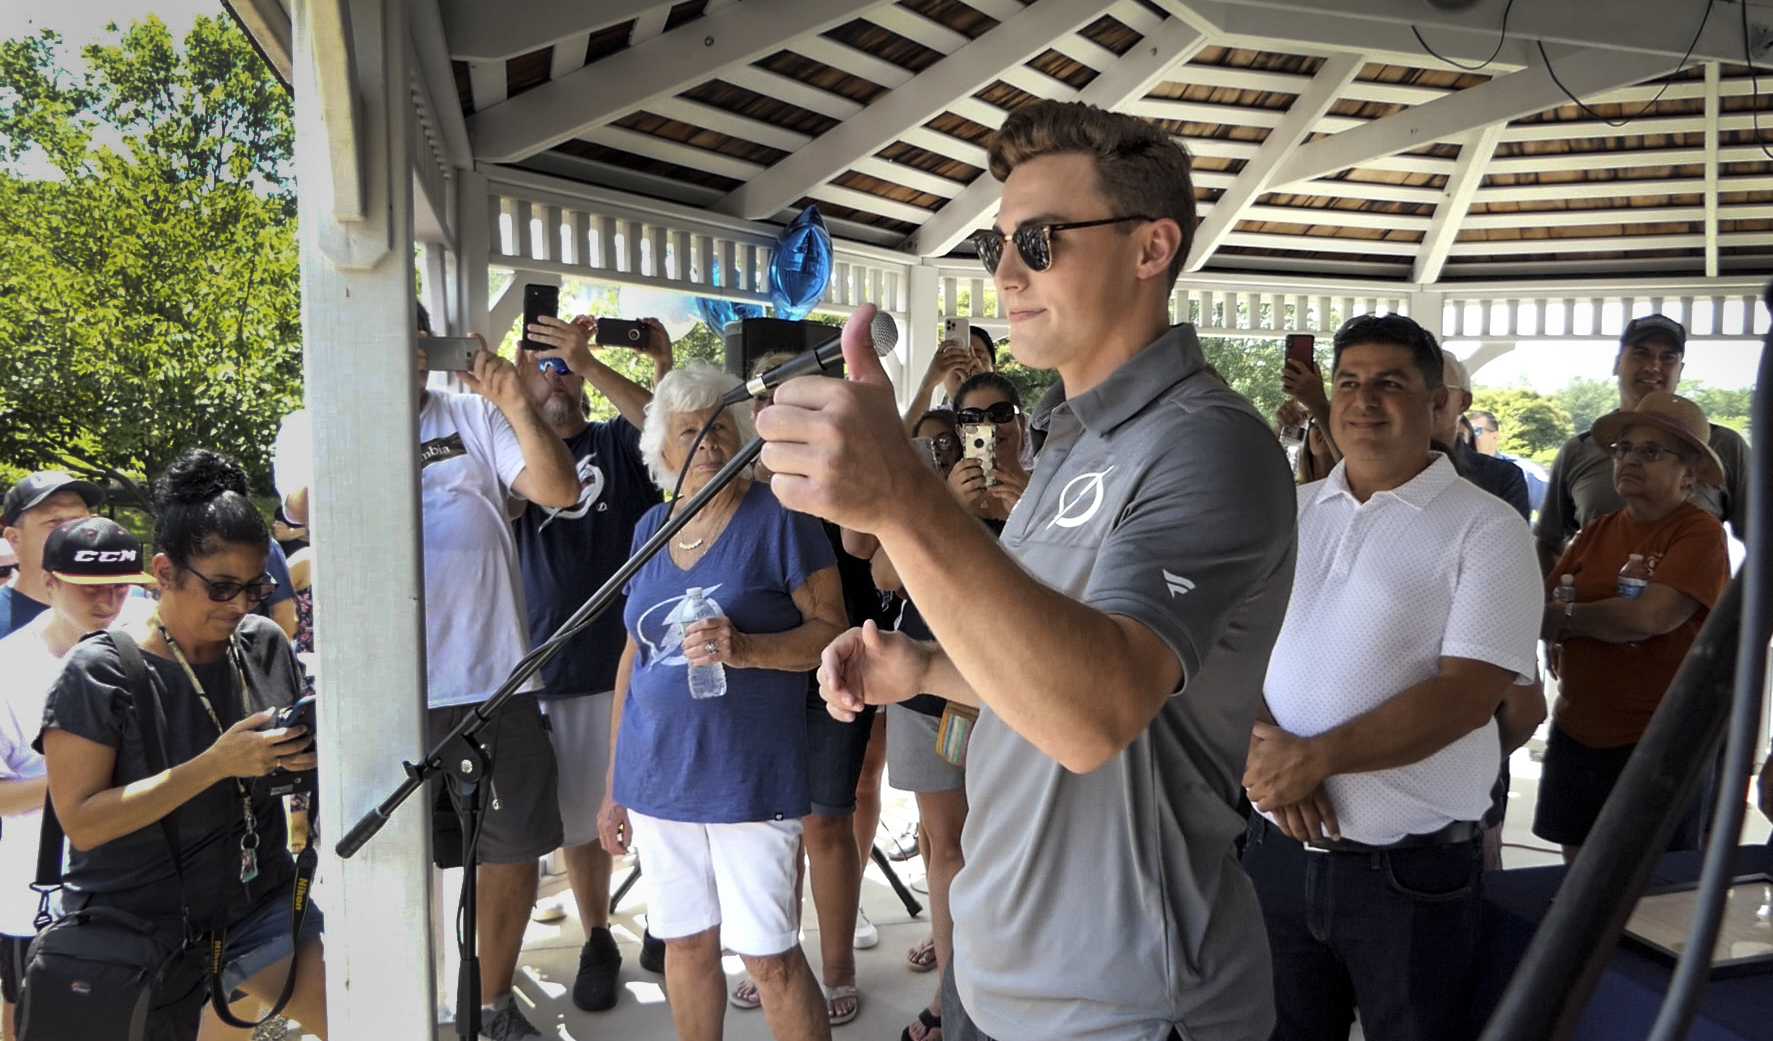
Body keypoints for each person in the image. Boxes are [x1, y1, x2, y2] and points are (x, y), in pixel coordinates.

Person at [760, 99, 1298, 1041]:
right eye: (995, 246)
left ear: (1150, 248)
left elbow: (1093, 713)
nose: (1005, 275)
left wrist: (902, 495)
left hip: (1128, 1001)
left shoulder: (1210, 446)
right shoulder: (1061, 442)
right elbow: (1045, 665)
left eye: (1040, 241)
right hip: (996, 967)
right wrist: (925, 669)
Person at [1241, 314, 1542, 1041]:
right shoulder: (1291, 510)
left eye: (1389, 383)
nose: (1363, 399)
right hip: (1276, 856)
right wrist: (1268, 752)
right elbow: (1235, 647)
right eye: (1348, 381)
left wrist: (1315, 757)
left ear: (1437, 401)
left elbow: (1465, 696)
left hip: (1409, 878)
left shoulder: (1487, 528)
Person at [38, 450, 329, 1040]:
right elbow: (83, 823)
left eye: (254, 586)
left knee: (360, 1020)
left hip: (257, 902)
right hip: (142, 928)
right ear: (164, 572)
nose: (240, 604)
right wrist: (216, 766)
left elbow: (280, 767)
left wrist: (306, 757)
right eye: (221, 587)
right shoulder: (100, 672)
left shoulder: (263, 644)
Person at [597, 362, 845, 1041]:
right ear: (662, 452)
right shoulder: (648, 524)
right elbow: (632, 653)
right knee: (684, 944)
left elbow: (831, 631)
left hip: (748, 777)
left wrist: (748, 650)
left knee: (768, 957)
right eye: (691, 431)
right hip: (655, 776)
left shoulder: (781, 517)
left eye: (722, 428)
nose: (709, 443)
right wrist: (614, 783)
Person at [413, 303, 580, 1041]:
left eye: (418, 339)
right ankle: (408, 996)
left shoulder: (468, 415)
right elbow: (305, 503)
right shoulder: (322, 415)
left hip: (492, 679)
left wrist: (512, 398)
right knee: (396, 853)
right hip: (389, 690)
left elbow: (559, 489)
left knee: (511, 847)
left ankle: (490, 1001)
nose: (406, 352)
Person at [507, 310, 669, 1012]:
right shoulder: (512, 453)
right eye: (540, 360)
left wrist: (595, 363)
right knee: (581, 820)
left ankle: (668, 915)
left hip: (643, 660)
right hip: (560, 665)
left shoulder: (615, 438)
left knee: (664, 803)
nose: (556, 372)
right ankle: (598, 933)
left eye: (563, 361)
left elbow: (675, 435)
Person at [728, 351, 890, 1028]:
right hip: (762, 668)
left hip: (838, 657)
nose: (779, 407)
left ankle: (837, 968)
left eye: (792, 394)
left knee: (828, 818)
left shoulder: (843, 461)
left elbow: (861, 549)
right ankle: (773, 955)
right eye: (767, 396)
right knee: (773, 823)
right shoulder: (737, 476)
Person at [1536, 391, 1730, 862]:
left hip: (1659, 741)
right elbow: (1541, 611)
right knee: (1576, 879)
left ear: (1689, 472)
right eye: (1624, 449)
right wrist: (1574, 620)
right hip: (1578, 729)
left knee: (1653, 890)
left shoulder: (1699, 534)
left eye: (1650, 451)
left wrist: (1570, 620)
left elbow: (1648, 618)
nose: (1629, 461)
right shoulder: (1598, 530)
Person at [0, 517, 154, 1040]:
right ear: (47, 583)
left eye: (120, 586)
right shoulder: (8, 666)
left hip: (142, 880)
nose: (108, 600)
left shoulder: (152, 642)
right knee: (36, 1021)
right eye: (89, 588)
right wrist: (83, 781)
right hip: (41, 893)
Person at [1536, 314, 1751, 572]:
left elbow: (1761, 540)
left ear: (1680, 370)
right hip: (1592, 608)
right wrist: (1563, 602)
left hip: (1692, 609)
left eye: (1668, 357)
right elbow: (1549, 541)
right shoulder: (1579, 449)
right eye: (1641, 353)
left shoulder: (1725, 446)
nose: (1653, 366)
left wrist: (1733, 609)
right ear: (1617, 364)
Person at [1, 472, 103, 637]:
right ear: (15, 539)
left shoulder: (130, 607)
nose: (72, 531)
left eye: (80, 520)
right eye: (54, 522)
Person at [1438, 351, 1530, 521]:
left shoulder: (1501, 478)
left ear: (1464, 402)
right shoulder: (1378, 470)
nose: (1423, 400)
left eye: (1438, 391)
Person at [901, 327, 998, 437]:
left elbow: (983, 451)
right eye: (955, 356)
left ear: (993, 370)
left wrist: (977, 393)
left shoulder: (1010, 419)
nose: (967, 363)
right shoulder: (934, 421)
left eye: (978, 357)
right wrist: (927, 385)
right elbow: (903, 446)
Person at [1470, 410, 1549, 513]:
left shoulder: (1524, 471)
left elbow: (1554, 511)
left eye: (1476, 431)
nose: (1470, 437)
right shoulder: (1456, 469)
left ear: (1495, 435)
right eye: (1465, 433)